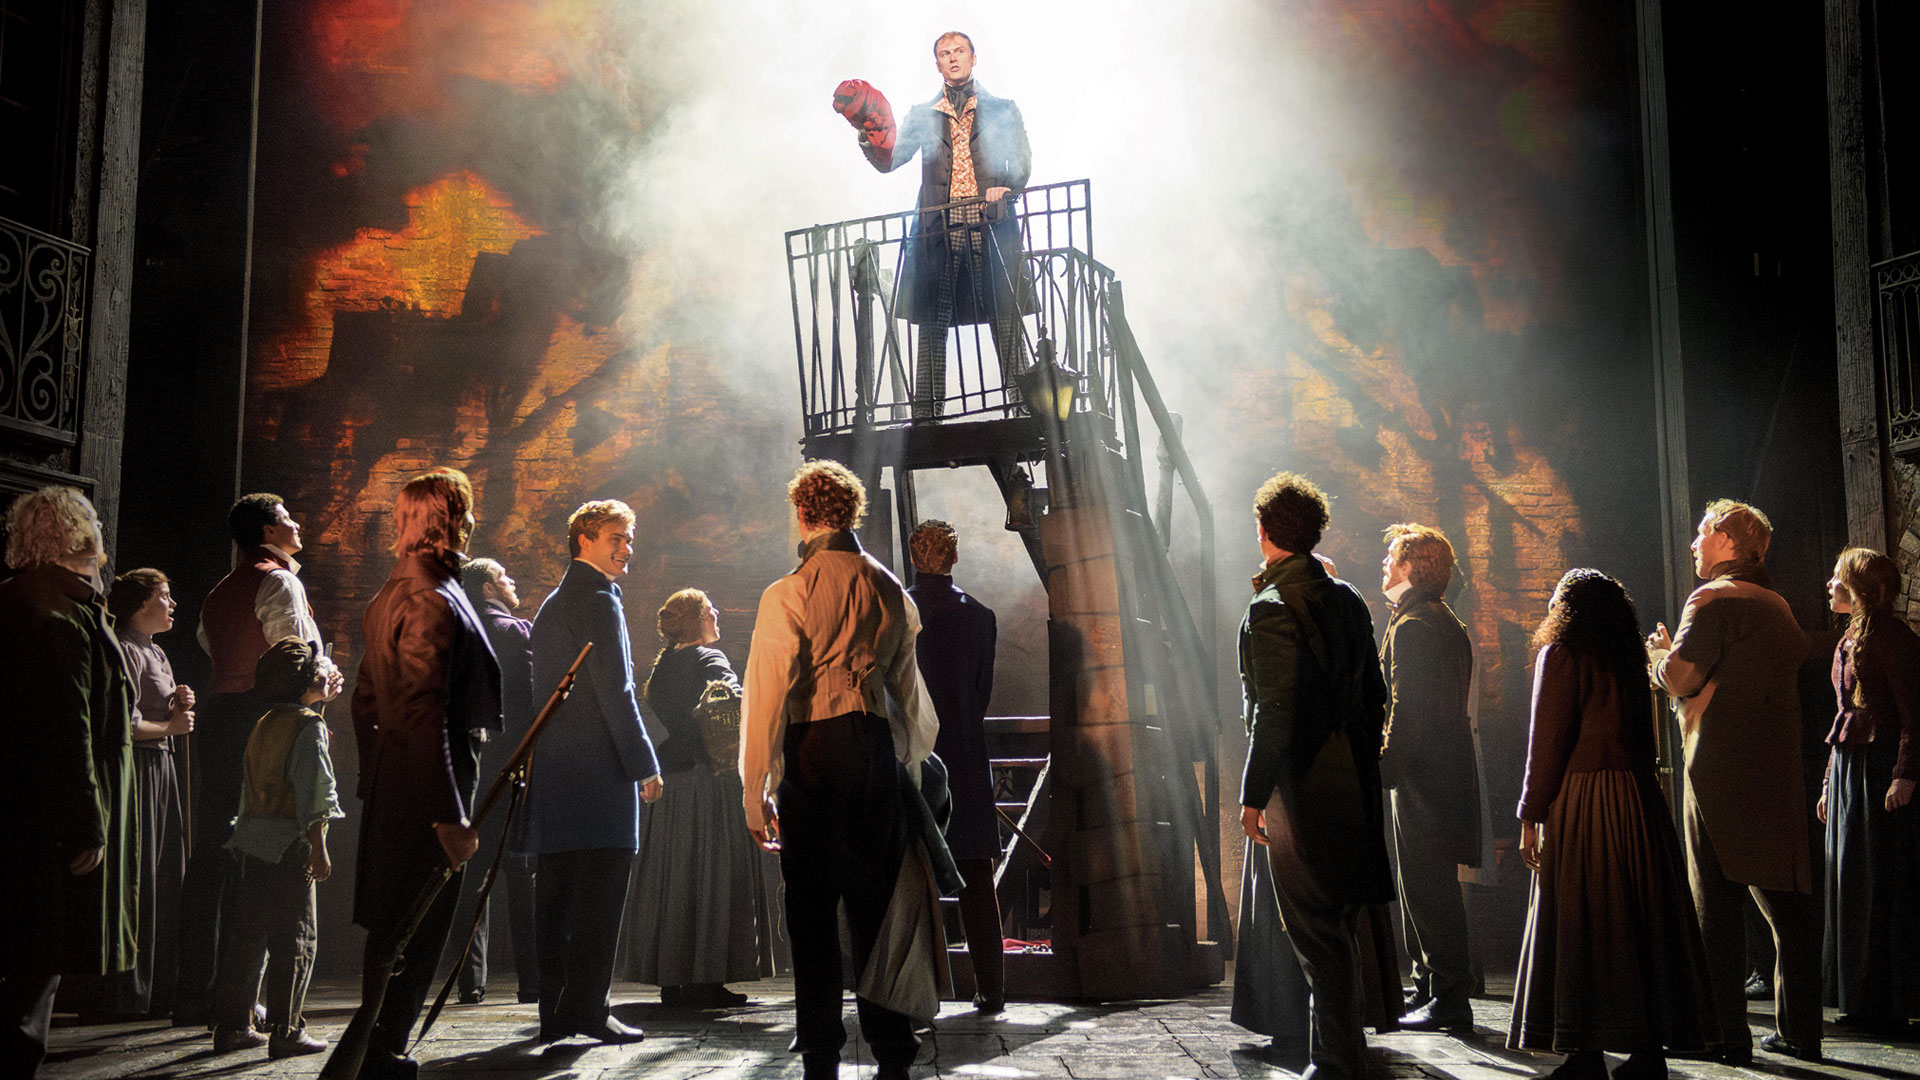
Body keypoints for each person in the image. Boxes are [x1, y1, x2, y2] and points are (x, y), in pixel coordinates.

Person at [742, 461, 940, 1080]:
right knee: (876, 908)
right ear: (851, 513)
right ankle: (893, 1054)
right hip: (875, 750)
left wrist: (755, 790)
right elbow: (911, 698)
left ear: (802, 513)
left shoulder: (789, 592)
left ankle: (822, 1053)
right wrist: (902, 764)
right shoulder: (889, 587)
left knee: (810, 908)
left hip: (814, 752)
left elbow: (767, 694)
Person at [1510, 569, 1719, 1080]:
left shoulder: (1559, 655)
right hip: (1636, 798)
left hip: (1583, 799)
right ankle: (1648, 1053)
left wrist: (1530, 814)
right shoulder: (1628, 657)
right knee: (1640, 923)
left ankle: (1584, 1054)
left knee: (1583, 923)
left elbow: (1548, 741)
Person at [1648, 499, 1818, 1062]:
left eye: (1702, 532)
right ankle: (1800, 1032)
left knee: (1714, 907)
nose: (1694, 542)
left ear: (1726, 539)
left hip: (1717, 768)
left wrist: (1656, 656)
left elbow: (1679, 677)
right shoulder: (1776, 603)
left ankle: (1724, 1034)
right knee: (1786, 906)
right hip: (1776, 769)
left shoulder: (1713, 598)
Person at [1236, 472, 1394, 1080]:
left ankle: (1333, 1063)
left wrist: (1253, 797)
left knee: (1314, 932)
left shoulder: (1271, 606)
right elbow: (1376, 694)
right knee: (1338, 928)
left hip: (1299, 788)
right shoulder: (1348, 597)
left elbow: (1272, 712)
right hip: (1352, 778)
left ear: (1265, 531)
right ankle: (1338, 1055)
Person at [348, 469, 500, 1080]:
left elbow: (364, 701)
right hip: (431, 782)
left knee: (396, 924)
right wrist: (448, 811)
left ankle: (379, 1050)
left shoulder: (393, 592)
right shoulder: (431, 598)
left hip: (398, 778)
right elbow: (422, 708)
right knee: (414, 926)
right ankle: (381, 1054)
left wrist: (377, 778)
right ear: (455, 518)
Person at [179, 493, 341, 1025]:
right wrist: (323, 682)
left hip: (222, 718)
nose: (299, 524)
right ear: (269, 530)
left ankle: (201, 990)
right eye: (290, 518)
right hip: (262, 716)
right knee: (269, 855)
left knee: (216, 849)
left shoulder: (220, 591)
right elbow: (289, 655)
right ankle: (249, 999)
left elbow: (211, 646)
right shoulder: (280, 580)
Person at [0, 487, 136, 1077]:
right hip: (45, 823)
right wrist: (88, 822)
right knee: (33, 972)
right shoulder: (56, 611)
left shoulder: (20, 598)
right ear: (75, 532)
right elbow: (67, 725)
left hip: (20, 812)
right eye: (93, 520)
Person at [526, 499, 663, 1043]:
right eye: (616, 537)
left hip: (557, 766)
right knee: (600, 896)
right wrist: (644, 764)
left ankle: (556, 1014)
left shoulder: (556, 599)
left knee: (556, 896)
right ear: (583, 538)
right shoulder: (599, 599)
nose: (626, 548)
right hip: (600, 770)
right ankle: (588, 1011)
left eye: (629, 538)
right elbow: (617, 690)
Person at [850, 30, 1032, 419]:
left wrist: (1007, 186)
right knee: (935, 316)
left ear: (973, 57)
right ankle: (927, 415)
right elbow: (890, 159)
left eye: (959, 51)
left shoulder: (1002, 108)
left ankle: (1021, 406)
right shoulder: (924, 113)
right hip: (941, 224)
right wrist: (866, 130)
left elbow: (1022, 161)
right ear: (937, 64)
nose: (953, 59)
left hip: (990, 221)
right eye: (945, 54)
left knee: (1004, 312)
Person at [621, 587, 771, 1007]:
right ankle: (706, 978)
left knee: (675, 877)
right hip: (708, 780)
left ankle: (672, 979)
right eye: (710, 608)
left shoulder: (663, 666)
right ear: (696, 619)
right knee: (712, 872)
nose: (717, 612)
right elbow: (729, 717)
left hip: (672, 785)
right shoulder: (710, 661)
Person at [209, 638, 342, 1057]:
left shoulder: (266, 721)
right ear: (305, 680)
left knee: (249, 938)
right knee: (296, 939)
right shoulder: (308, 726)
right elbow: (313, 794)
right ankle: (287, 1030)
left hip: (253, 844)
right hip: (290, 847)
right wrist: (318, 848)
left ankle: (234, 1026)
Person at [1376, 524, 1478, 1032]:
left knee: (1427, 886)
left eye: (1392, 559)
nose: (1385, 567)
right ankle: (1430, 988)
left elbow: (1405, 709)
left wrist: (1384, 768)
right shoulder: (1440, 618)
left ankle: (1448, 996)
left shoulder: (1415, 624)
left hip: (1423, 775)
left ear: (1414, 568)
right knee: (1426, 884)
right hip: (1441, 770)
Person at [1817, 548, 1920, 1034]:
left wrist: (1905, 773)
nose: (1830, 585)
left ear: (1859, 588)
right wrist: (1826, 782)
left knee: (1878, 879)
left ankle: (1884, 998)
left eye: (1838, 579)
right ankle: (1854, 995)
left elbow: (1913, 713)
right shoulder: (1849, 638)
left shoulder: (1893, 639)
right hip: (1849, 773)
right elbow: (1843, 716)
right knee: (1849, 876)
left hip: (1878, 772)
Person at [904, 519, 1004, 1012]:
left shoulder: (896, 611)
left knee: (904, 873)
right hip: (964, 753)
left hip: (909, 755)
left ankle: (913, 987)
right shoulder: (980, 617)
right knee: (976, 875)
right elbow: (982, 694)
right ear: (954, 557)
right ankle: (991, 986)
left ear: (913, 555)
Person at [91, 569, 195, 1021]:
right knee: (140, 875)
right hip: (140, 772)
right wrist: (170, 726)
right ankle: (125, 992)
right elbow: (126, 725)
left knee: (165, 873)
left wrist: (176, 705)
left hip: (163, 769)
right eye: (164, 596)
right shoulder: (127, 649)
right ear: (139, 604)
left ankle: (156, 987)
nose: (172, 605)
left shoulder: (157, 651)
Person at [458, 557, 538, 1005]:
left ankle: (470, 981)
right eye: (506, 576)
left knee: (471, 874)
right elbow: (532, 696)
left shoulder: (455, 631)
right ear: (488, 586)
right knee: (521, 873)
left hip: (468, 766)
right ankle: (532, 980)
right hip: (513, 762)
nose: (513, 581)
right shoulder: (514, 631)